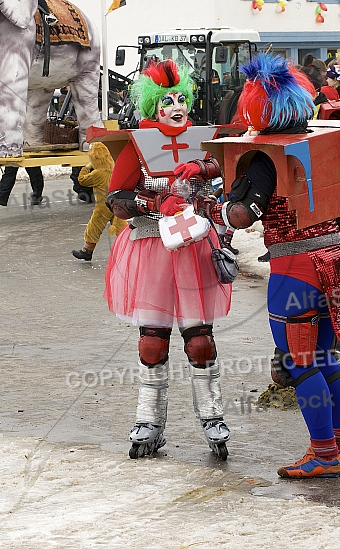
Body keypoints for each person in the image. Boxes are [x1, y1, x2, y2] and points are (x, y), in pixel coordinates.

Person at [195, 53, 340, 478]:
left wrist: (210, 206)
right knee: (326, 357)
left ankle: (324, 453)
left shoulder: (265, 156)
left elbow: (242, 216)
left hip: (295, 266)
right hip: (333, 259)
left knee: (299, 361)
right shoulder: (323, 141)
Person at [104, 59, 232, 460]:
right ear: (152, 107)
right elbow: (116, 199)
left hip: (193, 246)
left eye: (181, 99)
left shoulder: (203, 140)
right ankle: (149, 421)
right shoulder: (137, 145)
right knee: (153, 342)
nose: (176, 106)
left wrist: (205, 170)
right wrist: (152, 200)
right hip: (151, 247)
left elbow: (223, 177)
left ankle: (212, 418)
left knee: (199, 341)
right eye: (167, 101)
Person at [71, 142, 126, 261]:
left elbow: (82, 181)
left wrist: (86, 167)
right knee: (121, 228)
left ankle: (87, 251)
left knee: (94, 228)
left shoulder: (98, 173)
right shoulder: (115, 169)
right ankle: (126, 251)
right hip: (116, 204)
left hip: (103, 207)